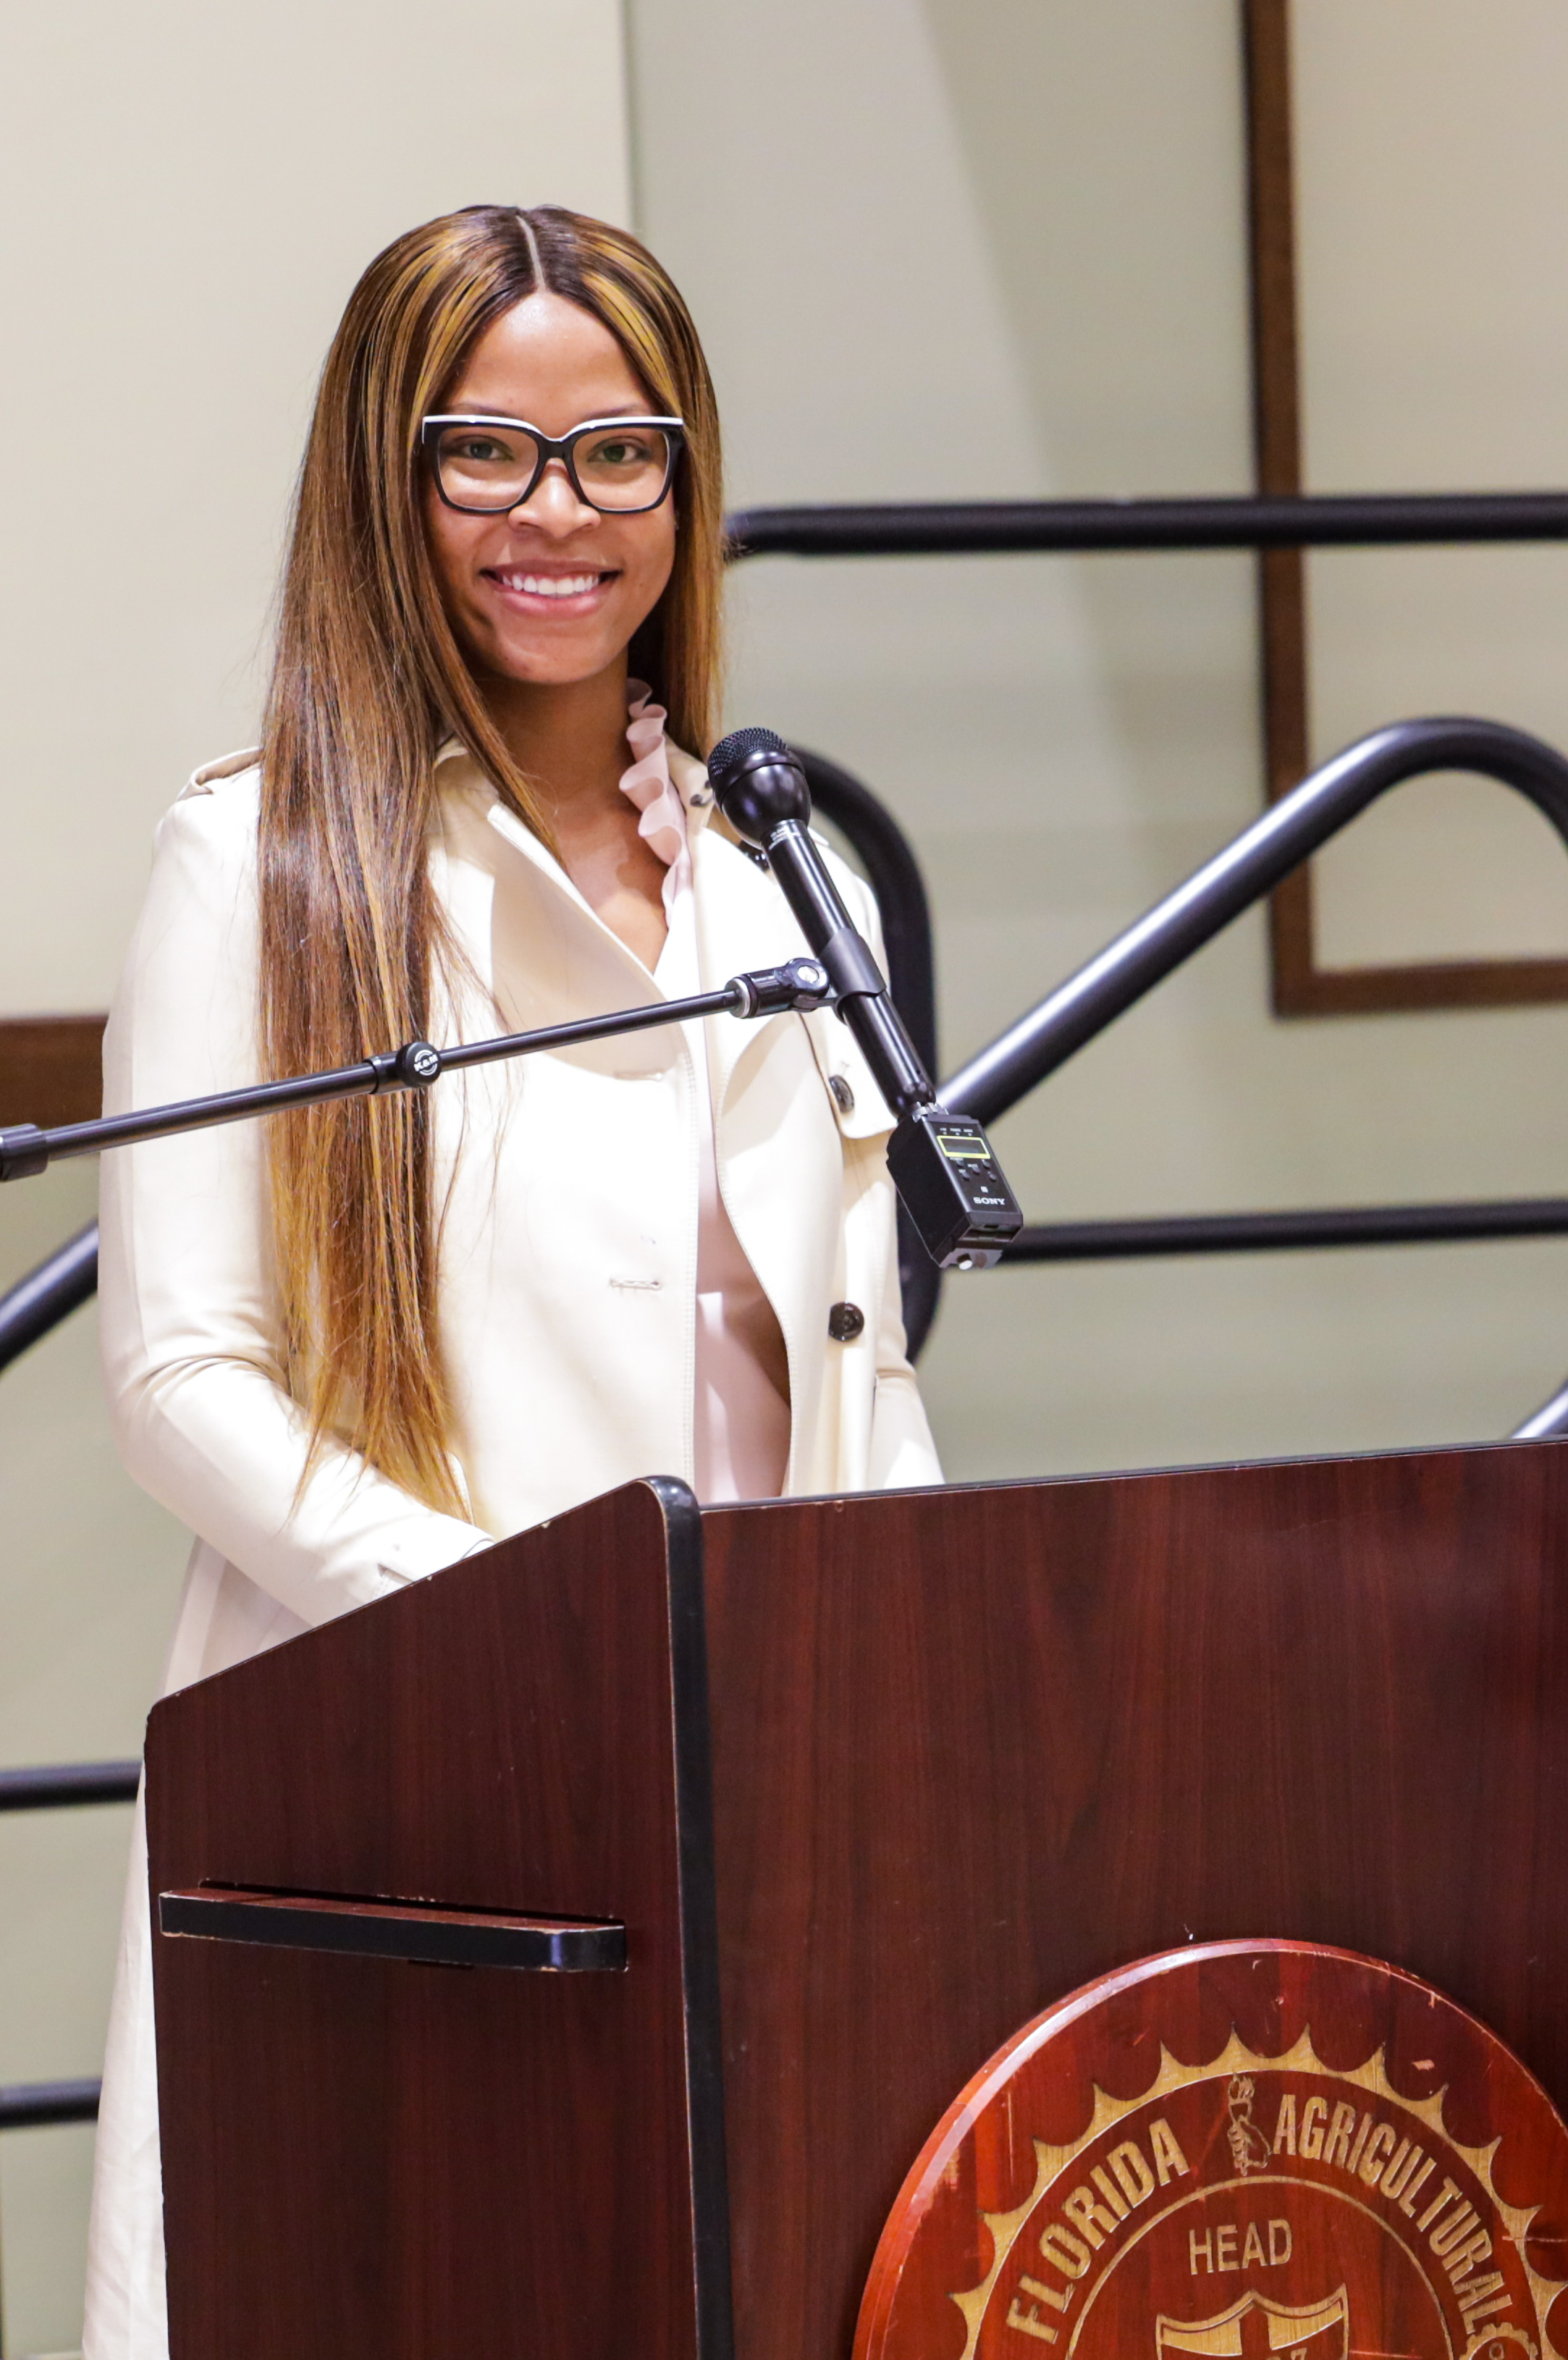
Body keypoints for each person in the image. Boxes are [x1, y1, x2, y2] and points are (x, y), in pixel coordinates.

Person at [83, 205, 942, 2359]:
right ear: (387, 477)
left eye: (620, 454)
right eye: (486, 452)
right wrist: (537, 1651)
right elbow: (182, 1374)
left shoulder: (775, 880)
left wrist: (946, 1692)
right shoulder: (257, 864)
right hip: (426, 1775)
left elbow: (855, 1367)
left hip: (775, 1788)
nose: (560, 516)